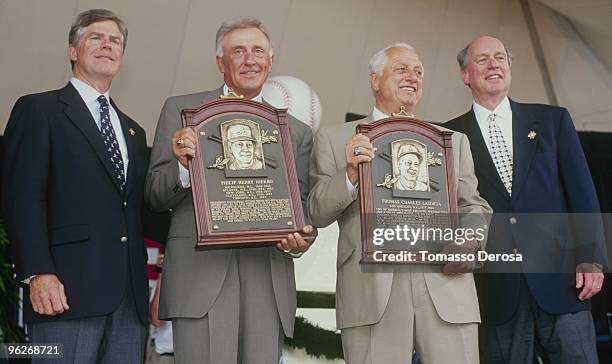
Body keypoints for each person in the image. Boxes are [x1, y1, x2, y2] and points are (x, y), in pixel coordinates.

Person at [308, 43, 491, 363]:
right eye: (402, 69)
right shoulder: (336, 139)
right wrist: (349, 173)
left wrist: (469, 240)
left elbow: (473, 206)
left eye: (419, 71)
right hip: (371, 293)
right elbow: (317, 211)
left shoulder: (452, 141)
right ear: (374, 79)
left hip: (446, 288)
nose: (413, 77)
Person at [145, 17, 313, 363]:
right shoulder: (182, 112)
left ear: (271, 61)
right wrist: (183, 165)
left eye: (258, 51)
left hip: (267, 277)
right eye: (238, 51)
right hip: (200, 276)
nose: (250, 60)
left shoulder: (296, 131)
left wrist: (300, 239)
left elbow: (303, 210)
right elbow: (155, 195)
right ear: (220, 62)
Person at [445, 35, 609, 363]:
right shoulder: (448, 137)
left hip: (562, 283)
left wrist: (592, 258)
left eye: (500, 57)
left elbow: (582, 192)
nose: (494, 64)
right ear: (465, 75)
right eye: (482, 59)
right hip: (495, 292)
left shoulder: (553, 120)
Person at [2, 8, 148, 363]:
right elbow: (22, 198)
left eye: (115, 41)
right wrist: (39, 273)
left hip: (129, 303)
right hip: (64, 293)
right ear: (73, 50)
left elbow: (137, 209)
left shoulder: (134, 130)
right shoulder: (39, 110)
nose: (107, 45)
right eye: (95, 37)